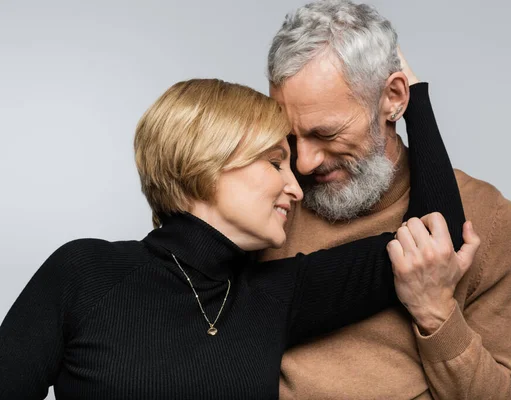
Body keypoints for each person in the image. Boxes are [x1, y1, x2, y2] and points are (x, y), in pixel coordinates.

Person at [0, 78, 478, 399]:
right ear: (204, 165)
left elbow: (435, 236)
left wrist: (411, 96)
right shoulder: (84, 273)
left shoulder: (277, 294)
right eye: (275, 163)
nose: (296, 186)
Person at [263, 0, 511, 399]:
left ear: (393, 98)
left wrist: (436, 313)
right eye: (291, 136)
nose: (304, 161)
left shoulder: (489, 219)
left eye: (327, 133)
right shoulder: (263, 205)